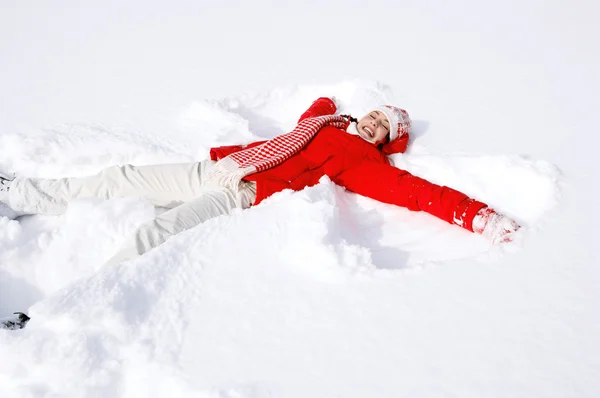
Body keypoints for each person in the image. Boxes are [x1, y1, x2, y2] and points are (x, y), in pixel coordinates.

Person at [0, 97, 520, 268]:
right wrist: (324, 110)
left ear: (388, 142)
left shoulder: (365, 163)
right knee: (121, 178)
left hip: (240, 193)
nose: (374, 123)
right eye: (375, 116)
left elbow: (417, 195)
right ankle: (18, 193)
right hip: (223, 169)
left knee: (153, 235)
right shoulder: (325, 127)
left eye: (385, 127)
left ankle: (76, 302)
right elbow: (303, 121)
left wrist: (478, 216)